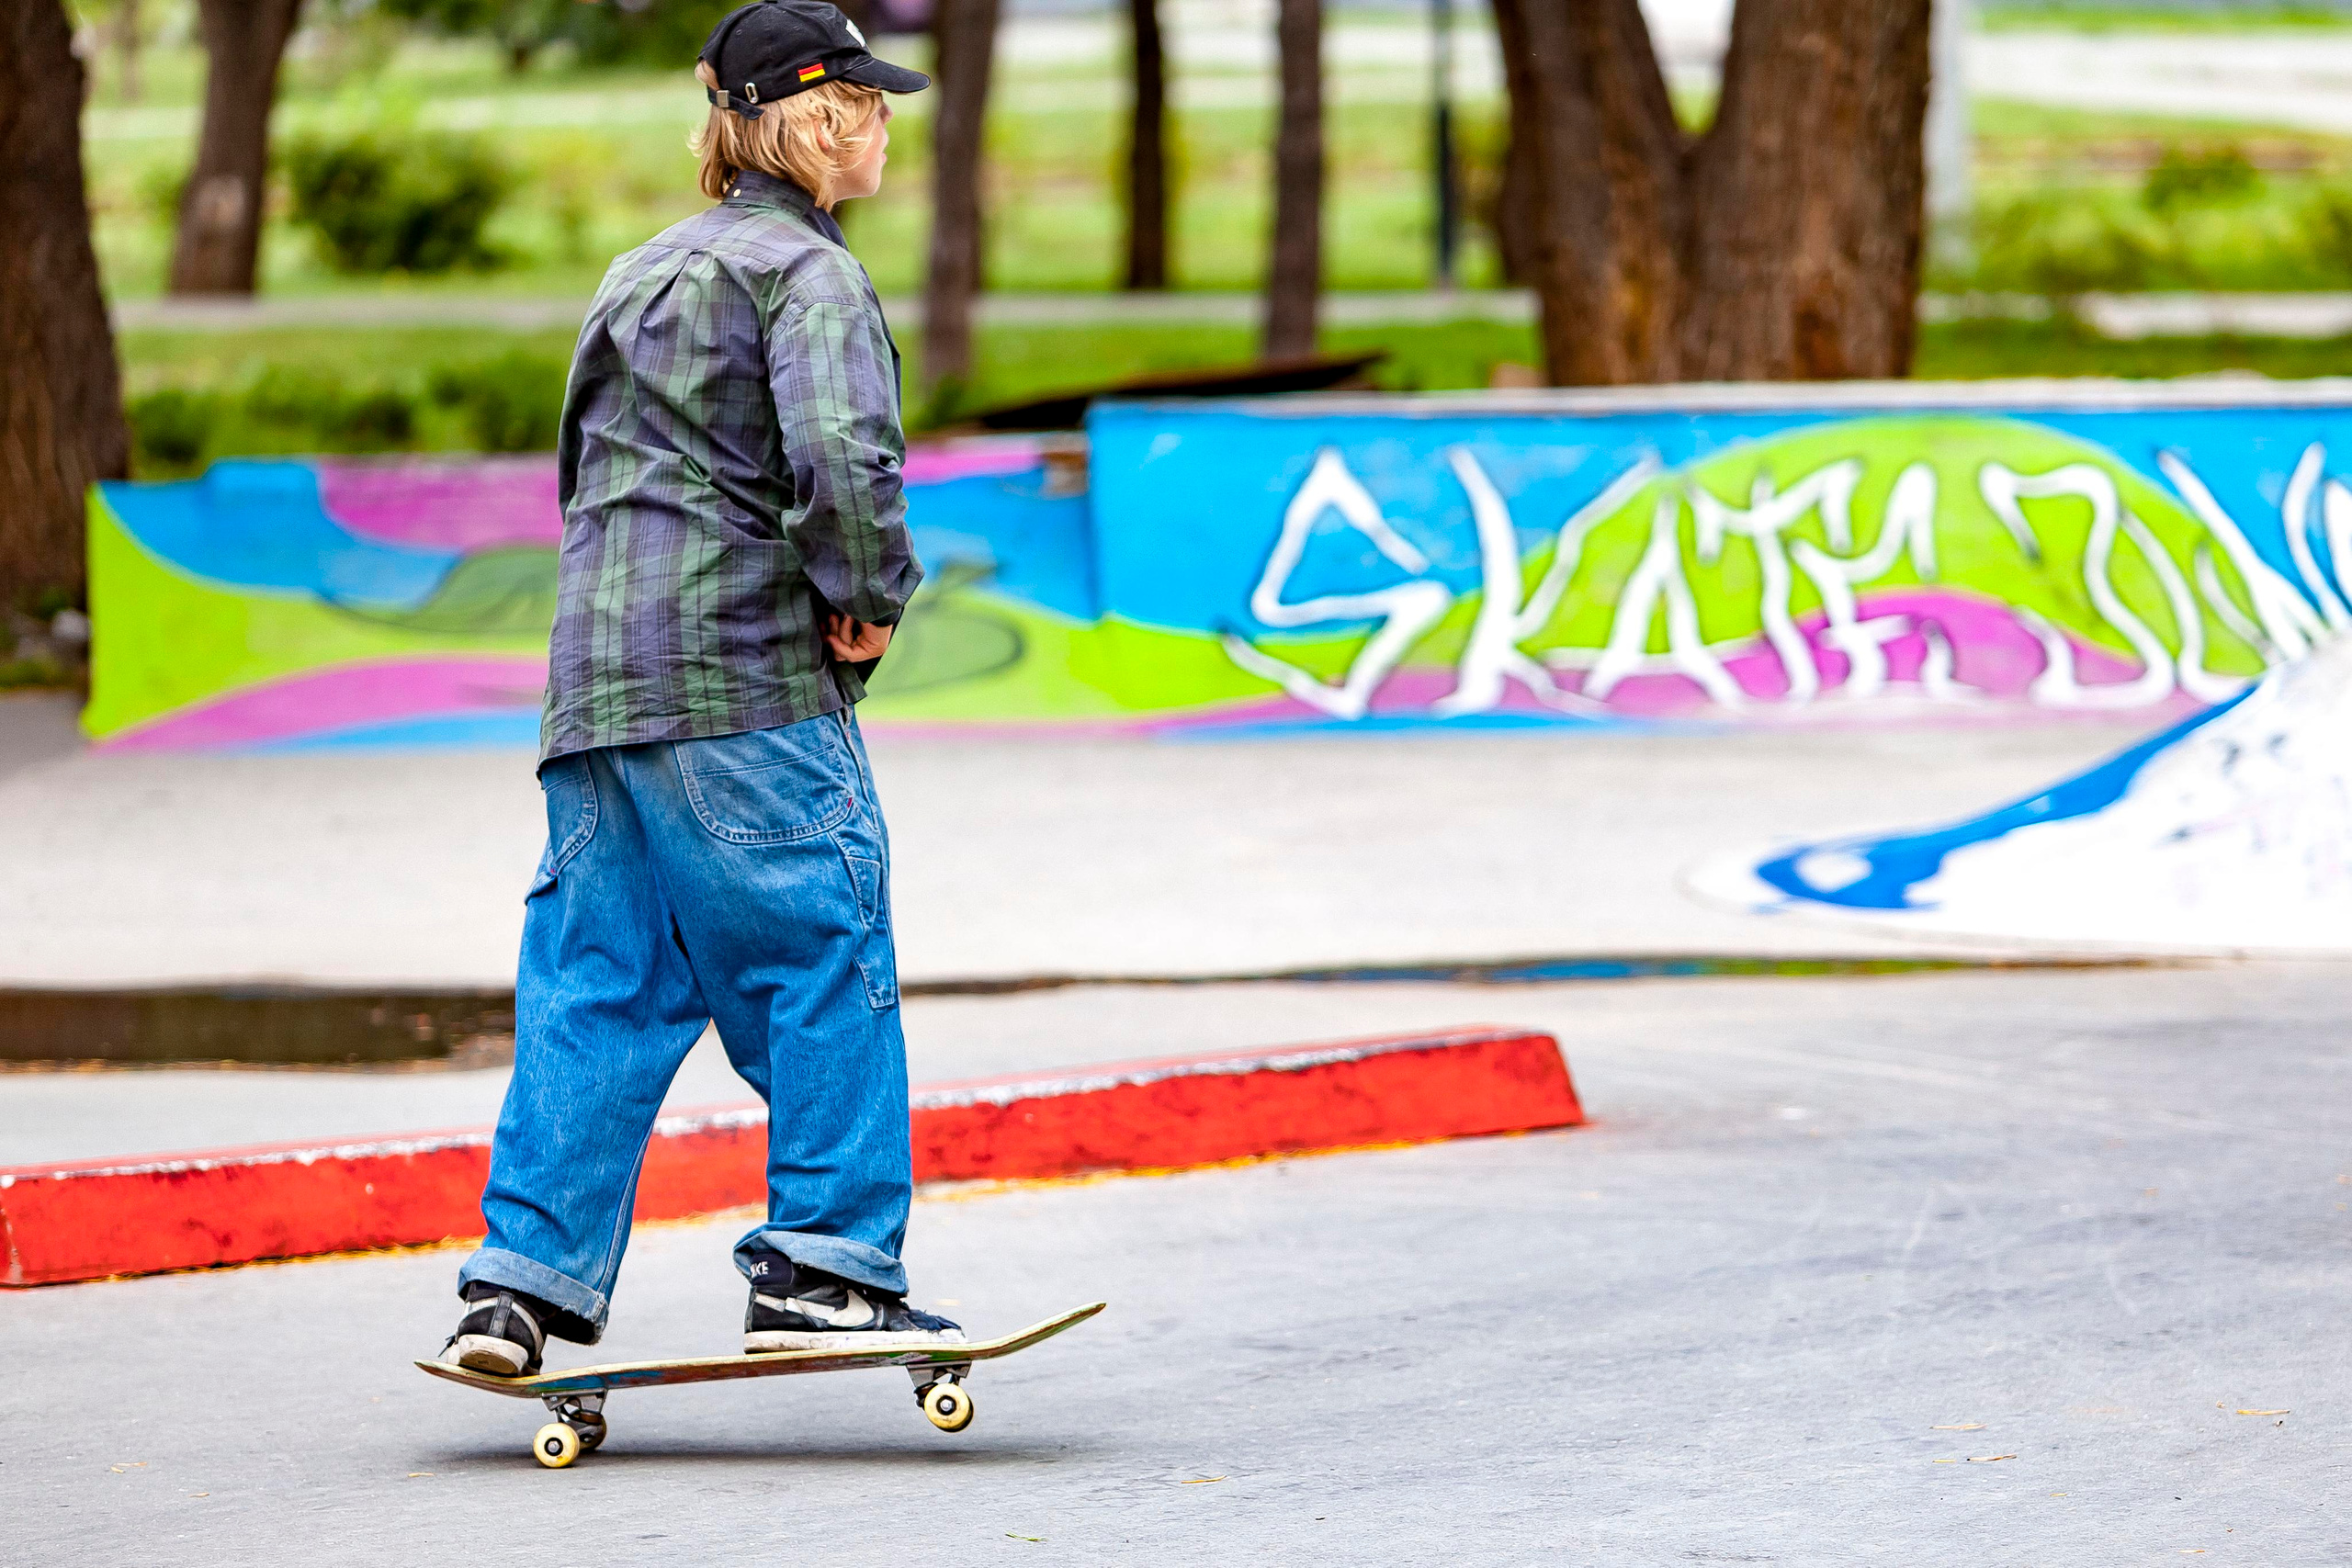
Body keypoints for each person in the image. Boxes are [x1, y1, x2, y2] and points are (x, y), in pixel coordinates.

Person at [441, 0, 954, 1379]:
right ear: (822, 118)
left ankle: (524, 1288)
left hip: (597, 695)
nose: (890, 123)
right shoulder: (812, 277)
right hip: (744, 683)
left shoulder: (639, 269)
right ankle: (826, 1267)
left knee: (598, 981)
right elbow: (845, 465)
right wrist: (866, 600)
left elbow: (588, 478)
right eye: (872, 101)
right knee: (821, 947)